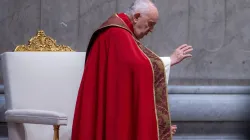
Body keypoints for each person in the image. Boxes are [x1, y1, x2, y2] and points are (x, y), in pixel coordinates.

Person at [72, 0, 193, 140]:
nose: (151, 30)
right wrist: (170, 61)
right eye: (150, 24)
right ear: (136, 17)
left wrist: (155, 125)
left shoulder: (119, 30)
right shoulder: (116, 33)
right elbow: (138, 66)